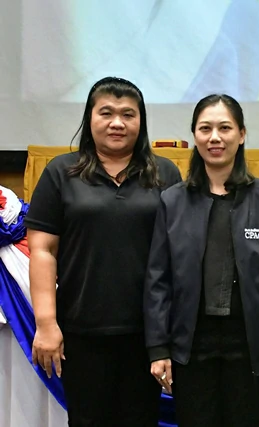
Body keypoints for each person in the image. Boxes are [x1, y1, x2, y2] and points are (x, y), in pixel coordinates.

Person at [25, 76, 183, 427]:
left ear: (141, 122)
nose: (117, 123)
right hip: (81, 332)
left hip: (148, 335)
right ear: (89, 118)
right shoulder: (60, 172)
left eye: (128, 114)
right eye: (106, 113)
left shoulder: (165, 174)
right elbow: (42, 250)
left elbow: (180, 253)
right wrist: (46, 323)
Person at [143, 93, 259, 427]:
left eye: (225, 128)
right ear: (195, 135)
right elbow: (158, 281)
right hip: (190, 348)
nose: (214, 137)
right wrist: (158, 348)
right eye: (205, 129)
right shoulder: (172, 201)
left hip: (250, 349)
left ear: (241, 134)